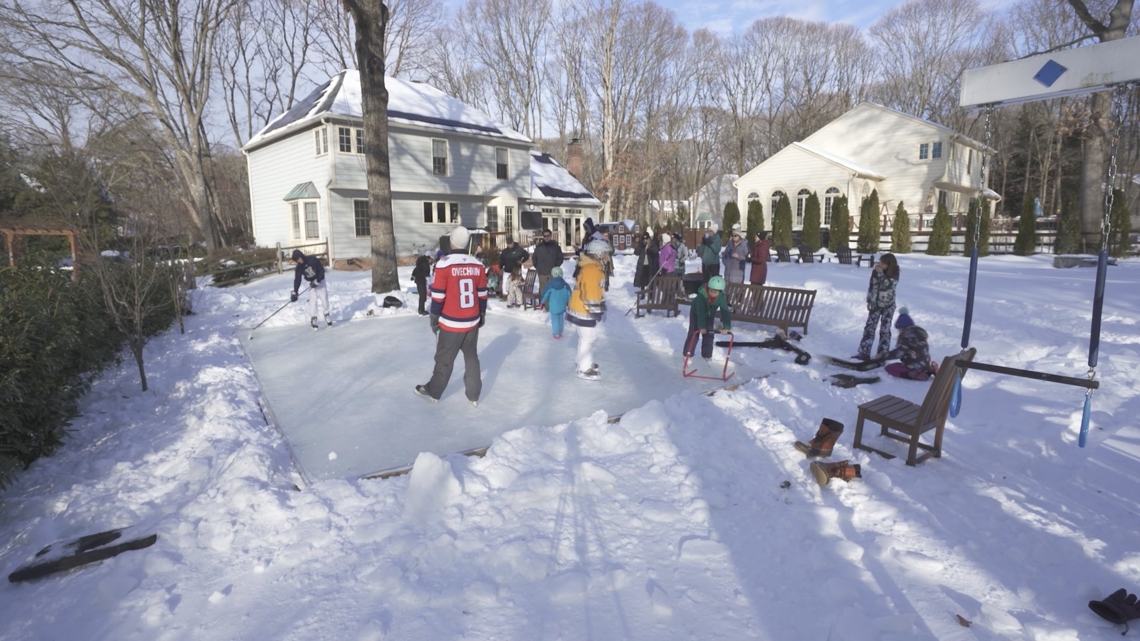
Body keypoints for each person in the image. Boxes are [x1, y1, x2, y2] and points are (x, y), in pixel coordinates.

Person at [415, 226, 488, 406]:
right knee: (471, 357)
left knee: (444, 358)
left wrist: (434, 317)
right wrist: (482, 314)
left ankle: (434, 391)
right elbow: (482, 294)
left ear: (451, 242)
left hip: (451, 323)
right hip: (472, 321)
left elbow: (438, 295)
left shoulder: (444, 263)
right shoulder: (477, 264)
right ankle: (474, 394)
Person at [567, 239, 609, 380]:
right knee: (588, 338)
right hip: (584, 309)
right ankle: (584, 368)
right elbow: (590, 293)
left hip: (581, 307)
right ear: (597, 253)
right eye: (604, 253)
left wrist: (601, 307)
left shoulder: (593, 267)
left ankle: (582, 361)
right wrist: (596, 311)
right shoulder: (592, 269)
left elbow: (597, 291)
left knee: (586, 337)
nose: (606, 256)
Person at [856, 253, 899, 360]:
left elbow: (887, 285)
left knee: (885, 330)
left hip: (888, 306)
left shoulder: (895, 273)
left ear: (889, 265)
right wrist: (869, 300)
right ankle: (864, 352)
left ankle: (882, 354)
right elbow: (872, 286)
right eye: (879, 262)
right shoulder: (875, 272)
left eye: (883, 263)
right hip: (875, 305)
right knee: (869, 328)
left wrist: (880, 274)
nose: (880, 265)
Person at [684, 275, 732, 361]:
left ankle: (707, 356)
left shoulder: (721, 297)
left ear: (720, 292)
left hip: (710, 314)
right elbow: (700, 312)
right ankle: (688, 355)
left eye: (715, 292)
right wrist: (701, 327)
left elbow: (725, 311)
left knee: (709, 334)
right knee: (694, 332)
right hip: (696, 313)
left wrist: (726, 326)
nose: (713, 294)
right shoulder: (702, 296)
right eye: (711, 291)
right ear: (708, 288)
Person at [884, 307, 939, 380]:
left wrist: (884, 356)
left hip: (914, 366)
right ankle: (931, 369)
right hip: (926, 364)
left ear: (902, 328)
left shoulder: (906, 338)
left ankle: (914, 374)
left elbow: (899, 353)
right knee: (923, 362)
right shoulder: (920, 335)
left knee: (890, 368)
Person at [290, 249, 331, 329]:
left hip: (320, 281)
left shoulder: (312, 259)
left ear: (301, 256)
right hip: (311, 283)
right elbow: (297, 279)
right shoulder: (299, 268)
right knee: (313, 300)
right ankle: (314, 318)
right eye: (296, 260)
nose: (299, 261)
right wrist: (295, 291)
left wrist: (318, 280)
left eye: (299, 258)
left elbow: (321, 270)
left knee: (324, 299)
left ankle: (326, 314)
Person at [540, 265, 571, 339]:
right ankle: (560, 332)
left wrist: (542, 302)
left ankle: (556, 333)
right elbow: (569, 294)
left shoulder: (550, 284)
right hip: (562, 305)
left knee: (555, 320)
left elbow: (546, 293)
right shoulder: (565, 284)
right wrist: (569, 303)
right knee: (560, 319)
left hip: (554, 305)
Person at [531, 228, 564, 295]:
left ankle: (551, 305)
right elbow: (534, 258)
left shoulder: (556, 247)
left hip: (552, 273)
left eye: (548, 235)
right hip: (542, 273)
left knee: (552, 290)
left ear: (551, 236)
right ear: (543, 237)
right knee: (544, 291)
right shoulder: (539, 247)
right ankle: (545, 305)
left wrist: (555, 267)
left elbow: (560, 258)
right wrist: (537, 266)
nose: (546, 237)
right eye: (545, 236)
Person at [411, 251, 433, 316]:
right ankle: (421, 310)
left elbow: (416, 269)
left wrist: (413, 275)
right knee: (423, 296)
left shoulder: (420, 262)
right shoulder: (425, 264)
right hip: (421, 281)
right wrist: (429, 282)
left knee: (422, 295)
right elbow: (426, 274)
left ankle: (421, 309)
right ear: (428, 258)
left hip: (418, 280)